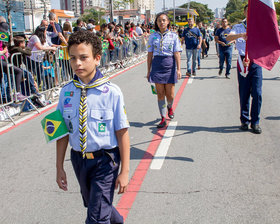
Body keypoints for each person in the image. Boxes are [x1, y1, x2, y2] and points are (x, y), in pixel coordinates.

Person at [56, 31, 130, 223]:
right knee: (95, 205)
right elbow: (61, 132)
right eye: (73, 58)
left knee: (96, 218)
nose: (77, 63)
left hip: (104, 161)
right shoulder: (66, 92)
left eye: (83, 57)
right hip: (79, 160)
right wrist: (59, 167)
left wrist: (125, 171)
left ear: (97, 59)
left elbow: (122, 132)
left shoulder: (112, 92)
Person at [226, 4, 262, 134]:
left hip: (255, 61)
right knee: (244, 92)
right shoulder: (238, 27)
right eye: (248, 11)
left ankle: (255, 122)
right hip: (242, 60)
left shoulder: (259, 26)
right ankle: (244, 120)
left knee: (257, 93)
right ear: (244, 12)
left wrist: (252, 59)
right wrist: (240, 35)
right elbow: (228, 38)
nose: (250, 13)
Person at [147, 12, 182, 128]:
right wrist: (148, 71)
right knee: (160, 94)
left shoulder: (174, 36)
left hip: (170, 65)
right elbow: (150, 54)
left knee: (170, 94)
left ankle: (170, 107)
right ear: (156, 23)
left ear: (167, 22)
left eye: (163, 20)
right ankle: (163, 117)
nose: (161, 22)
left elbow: (177, 53)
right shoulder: (152, 36)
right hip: (157, 66)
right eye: (159, 20)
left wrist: (178, 69)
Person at [0, 21, 26, 101]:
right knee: (18, 71)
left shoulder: (3, 36)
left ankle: (7, 99)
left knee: (6, 79)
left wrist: (5, 48)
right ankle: (16, 93)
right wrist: (3, 52)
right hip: (1, 60)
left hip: (3, 60)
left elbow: (5, 46)